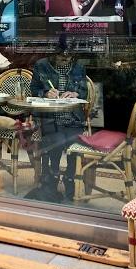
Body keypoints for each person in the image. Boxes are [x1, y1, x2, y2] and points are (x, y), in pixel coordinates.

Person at [27, 34, 88, 202]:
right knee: (56, 141)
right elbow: (33, 90)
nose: (65, 60)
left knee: (73, 142)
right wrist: (46, 93)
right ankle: (52, 177)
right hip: (50, 117)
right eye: (61, 57)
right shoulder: (42, 65)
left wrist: (75, 93)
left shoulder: (78, 67)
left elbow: (84, 91)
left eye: (68, 57)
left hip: (73, 117)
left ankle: (69, 177)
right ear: (54, 54)